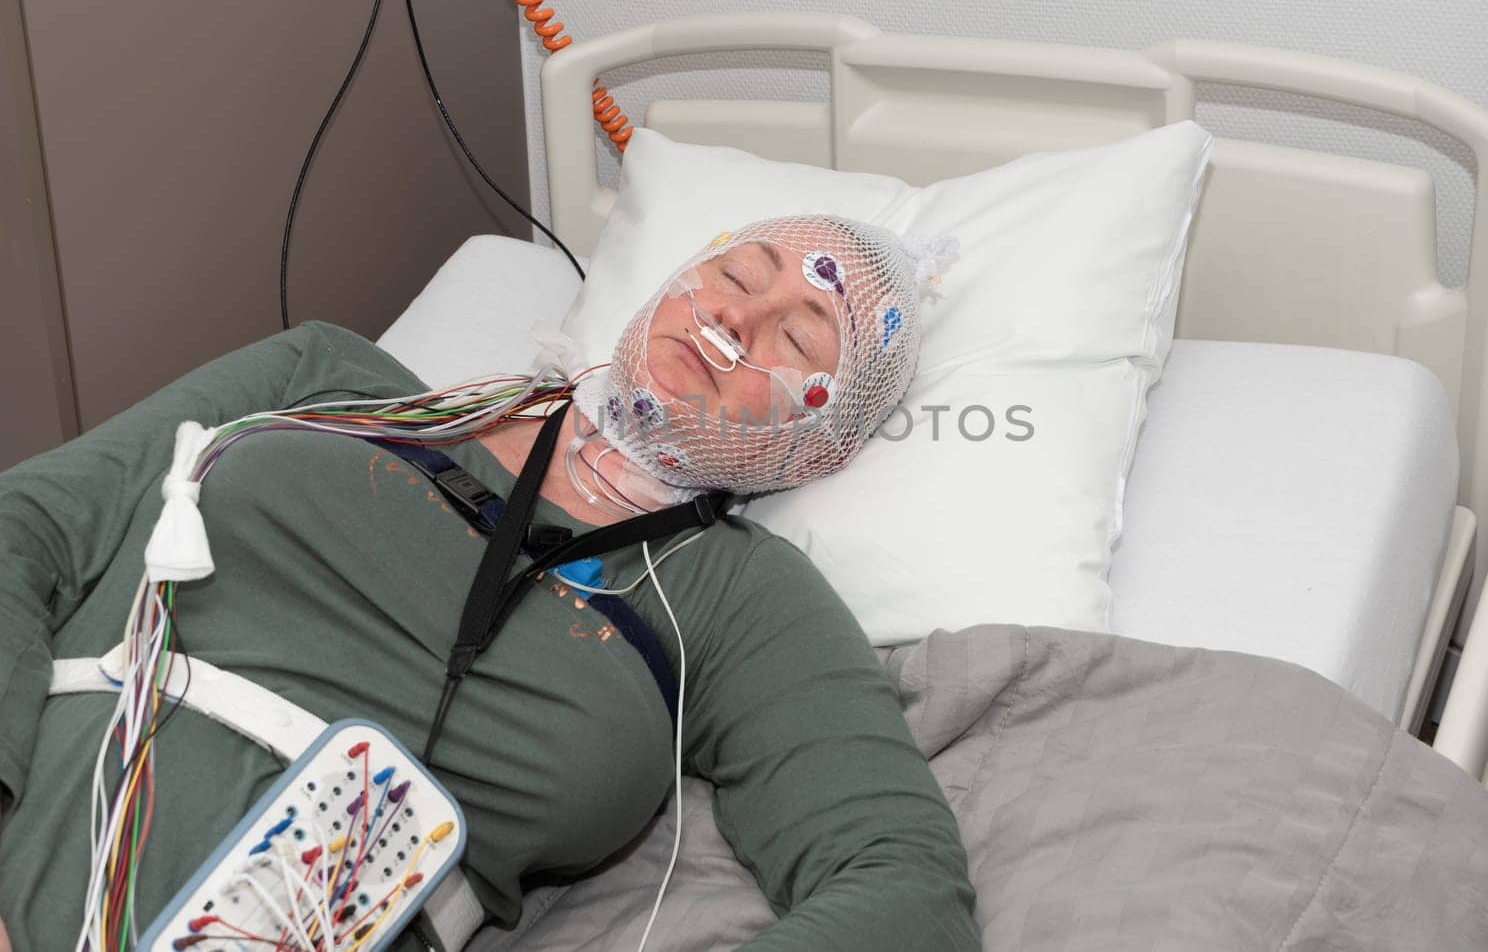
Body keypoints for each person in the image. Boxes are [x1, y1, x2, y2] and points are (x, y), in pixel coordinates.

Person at [0, 216, 979, 950]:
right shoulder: (331, 378)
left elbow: (905, 887)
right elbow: (24, 526)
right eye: (732, 273)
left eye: (799, 340)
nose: (736, 315)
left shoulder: (740, 602)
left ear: (828, 442)